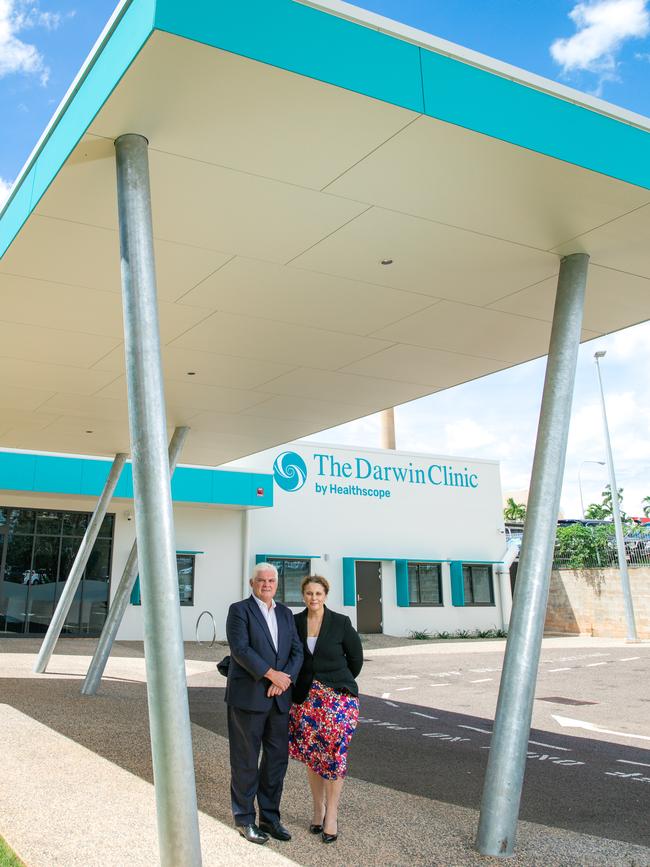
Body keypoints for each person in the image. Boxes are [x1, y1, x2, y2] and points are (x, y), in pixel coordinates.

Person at [225, 562, 304, 845]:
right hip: (248, 698)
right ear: (252, 583)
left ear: (277, 583)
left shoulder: (285, 613)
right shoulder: (239, 611)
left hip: (279, 700)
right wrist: (271, 675)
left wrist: (284, 680)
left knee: (276, 762)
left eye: (271, 580)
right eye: (262, 580)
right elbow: (240, 649)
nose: (267, 584)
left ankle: (269, 818)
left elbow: (297, 651)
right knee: (245, 760)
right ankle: (245, 819)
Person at [289, 575, 363, 843]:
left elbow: (355, 659)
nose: (313, 598)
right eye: (309, 593)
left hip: (338, 699)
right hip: (307, 700)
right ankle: (316, 809)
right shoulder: (295, 622)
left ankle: (332, 814)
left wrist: (337, 681)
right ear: (303, 595)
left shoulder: (340, 622)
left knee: (334, 754)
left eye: (318, 593)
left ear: (325, 595)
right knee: (313, 756)